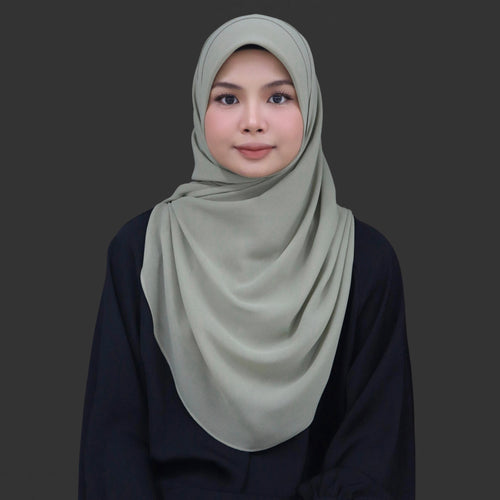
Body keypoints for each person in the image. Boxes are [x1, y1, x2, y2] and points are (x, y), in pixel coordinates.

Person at [79, 14, 415, 500]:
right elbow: (112, 446)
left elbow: (375, 454)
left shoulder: (364, 261)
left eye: (278, 97)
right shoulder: (142, 250)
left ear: (311, 109)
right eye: (227, 98)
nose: (252, 120)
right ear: (199, 108)